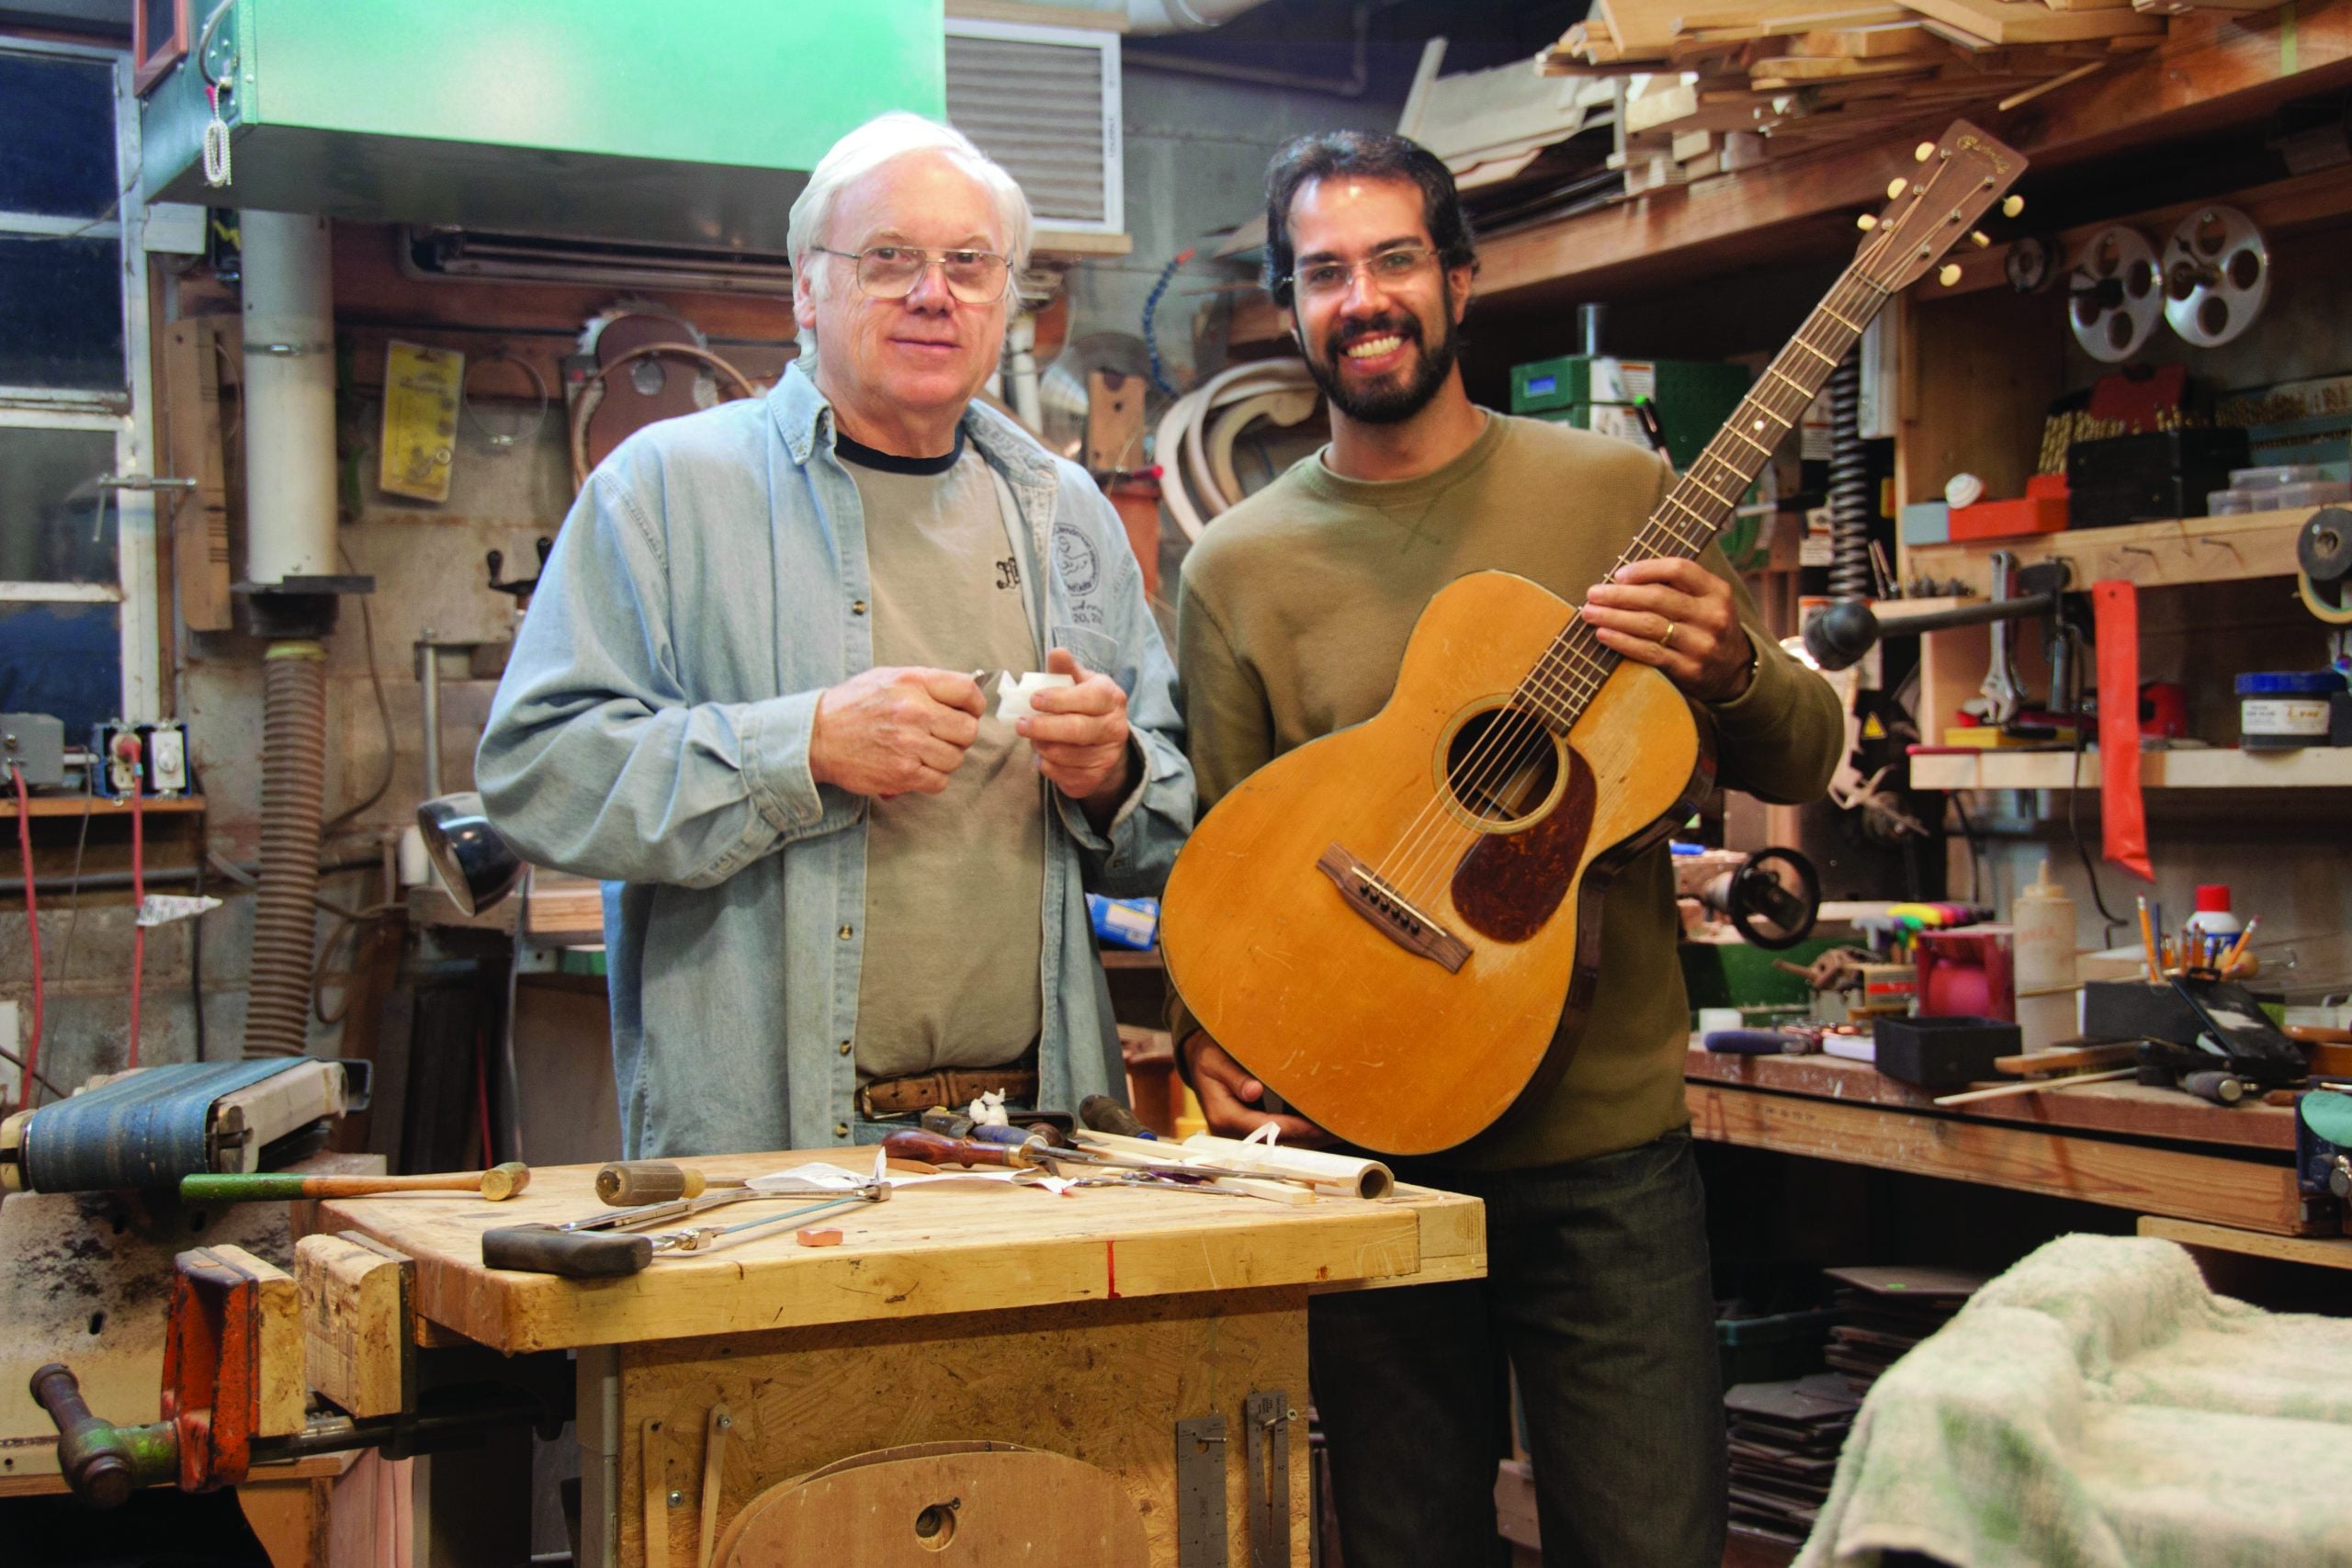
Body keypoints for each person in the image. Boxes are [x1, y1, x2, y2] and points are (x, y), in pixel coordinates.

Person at [1171, 130, 1842, 1566]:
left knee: (1652, 1541)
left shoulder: (1611, 496)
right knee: (1409, 1542)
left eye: (1396, 258)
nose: (1365, 297)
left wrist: (1732, 665)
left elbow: (1801, 752)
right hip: (1373, 1151)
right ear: (1290, 308)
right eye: (1326, 270)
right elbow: (1236, 860)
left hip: (1607, 1160)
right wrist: (1203, 1021)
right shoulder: (1236, 568)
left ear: (1460, 279)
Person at [479, 112, 1192, 1159]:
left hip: (1038, 1140)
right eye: (889, 258)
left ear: (1007, 300)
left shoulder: (1064, 508)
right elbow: (539, 776)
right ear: (806, 289)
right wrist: (800, 746)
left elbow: (1178, 816)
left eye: (968, 263)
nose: (931, 292)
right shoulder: (666, 489)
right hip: (774, 1148)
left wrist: (1112, 772)